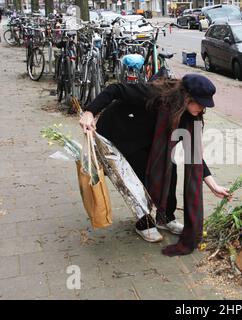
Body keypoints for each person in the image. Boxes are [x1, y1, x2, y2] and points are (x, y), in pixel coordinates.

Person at [79, 74, 231, 256]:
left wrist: (213, 185)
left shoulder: (189, 117)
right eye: (200, 102)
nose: (203, 108)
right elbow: (115, 89)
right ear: (187, 98)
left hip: (152, 140)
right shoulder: (156, 94)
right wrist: (89, 113)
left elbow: (194, 156)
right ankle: (144, 223)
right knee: (139, 178)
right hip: (122, 131)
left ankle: (165, 217)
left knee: (170, 169)